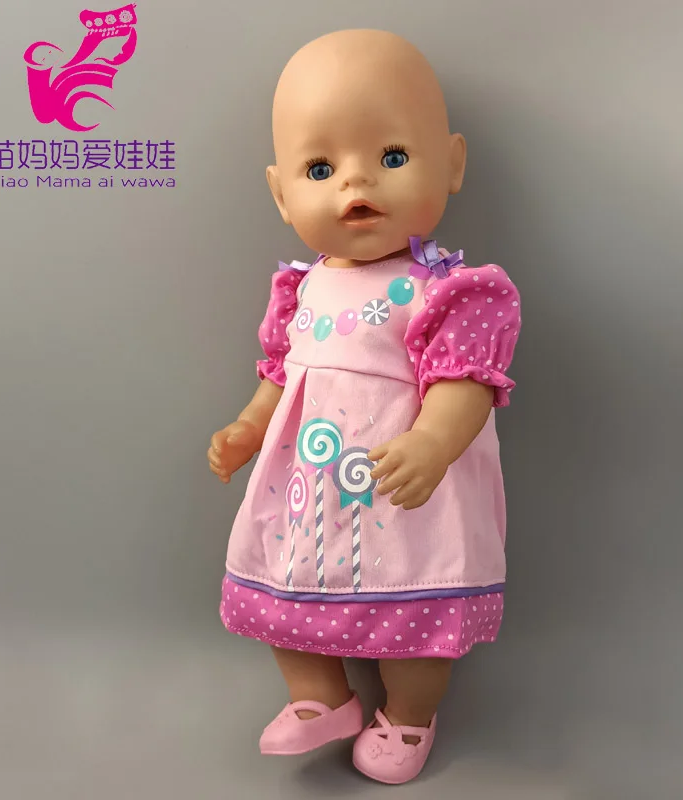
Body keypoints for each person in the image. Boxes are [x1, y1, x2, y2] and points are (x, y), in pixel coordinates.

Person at [208, 28, 522, 785]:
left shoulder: (446, 290)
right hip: (306, 496)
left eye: (392, 156)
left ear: (451, 164)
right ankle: (320, 698)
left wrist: (434, 442)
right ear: (282, 193)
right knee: (285, 598)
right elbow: (282, 375)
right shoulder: (302, 288)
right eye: (321, 168)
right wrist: (249, 425)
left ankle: (408, 715)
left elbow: (466, 384)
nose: (357, 182)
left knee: (415, 626)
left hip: (404, 493)